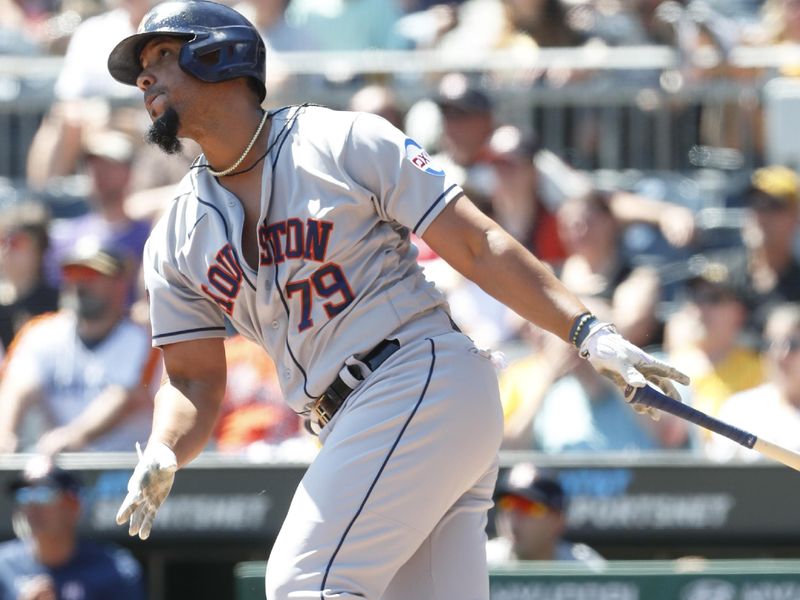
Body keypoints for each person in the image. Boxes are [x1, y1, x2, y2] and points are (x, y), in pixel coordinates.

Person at [105, 2, 688, 597]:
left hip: (415, 374)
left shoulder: (339, 140)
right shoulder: (175, 235)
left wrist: (586, 330)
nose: (144, 78)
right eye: (141, 69)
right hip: (359, 420)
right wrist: (164, 448)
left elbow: (478, 243)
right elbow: (193, 382)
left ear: (220, 54)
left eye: (161, 57)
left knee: (303, 582)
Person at [0, 241, 158, 454]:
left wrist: (75, 434)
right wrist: (5, 433)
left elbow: (125, 397)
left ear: (120, 282)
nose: (80, 283)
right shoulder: (41, 332)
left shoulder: (145, 337)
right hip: (58, 469)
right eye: (72, 273)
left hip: (126, 468)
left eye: (91, 274)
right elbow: (18, 386)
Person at [0, 455, 145, 600]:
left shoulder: (115, 570)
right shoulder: (3, 565)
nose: (32, 504)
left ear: (74, 505)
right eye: (24, 494)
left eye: (44, 493)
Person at [707, 302, 800, 462]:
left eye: (792, 344)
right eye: (770, 344)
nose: (780, 355)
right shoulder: (740, 408)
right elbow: (720, 476)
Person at [486, 462, 604, 565]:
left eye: (527, 506)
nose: (515, 516)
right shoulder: (482, 562)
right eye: (508, 504)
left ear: (558, 520)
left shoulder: (583, 568)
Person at [0, 202, 59, 352]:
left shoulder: (59, 303)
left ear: (39, 248)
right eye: (2, 241)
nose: (6, 249)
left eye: (16, 242)